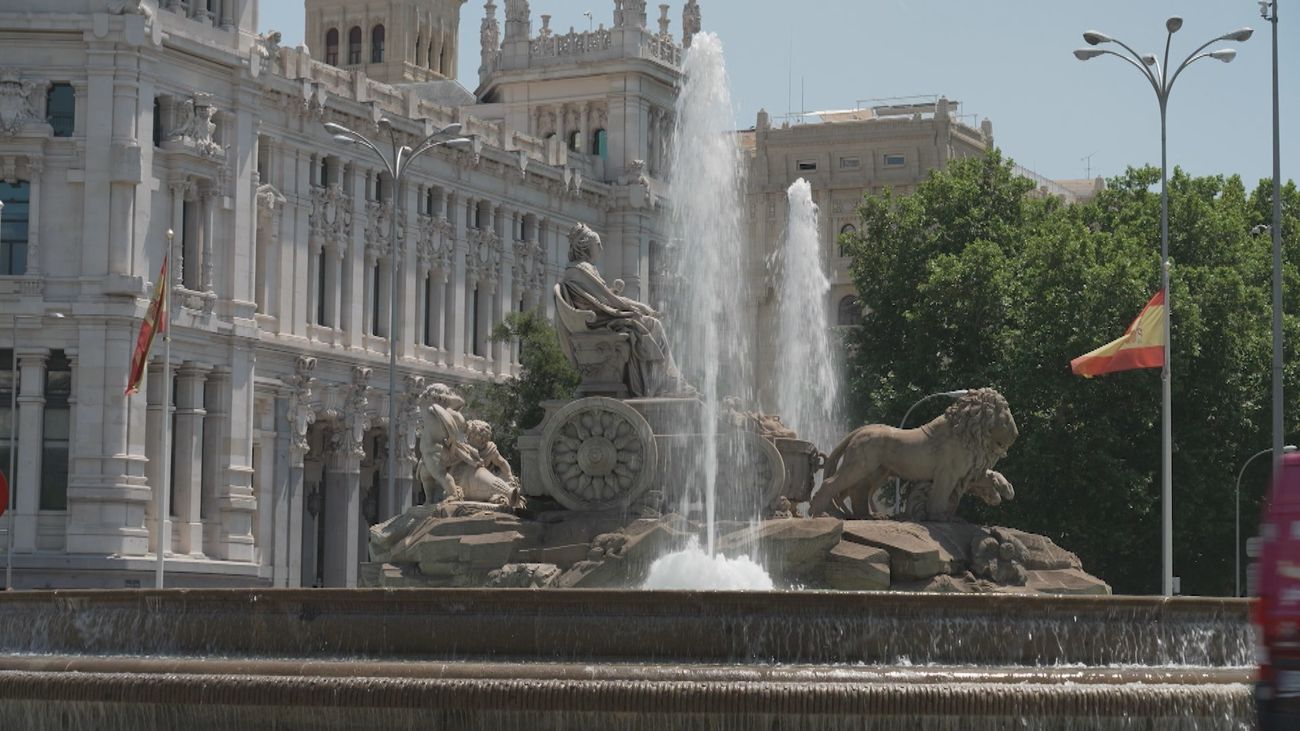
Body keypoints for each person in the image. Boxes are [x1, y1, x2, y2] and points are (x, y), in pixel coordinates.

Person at [560, 223, 694, 398]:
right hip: (603, 322)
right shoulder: (580, 270)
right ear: (586, 246)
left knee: (648, 323)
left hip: (603, 319)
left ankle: (664, 380)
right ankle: (666, 381)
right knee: (653, 325)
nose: (601, 248)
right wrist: (638, 307)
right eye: (597, 244)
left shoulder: (580, 270)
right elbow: (609, 300)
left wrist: (637, 306)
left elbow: (605, 298)